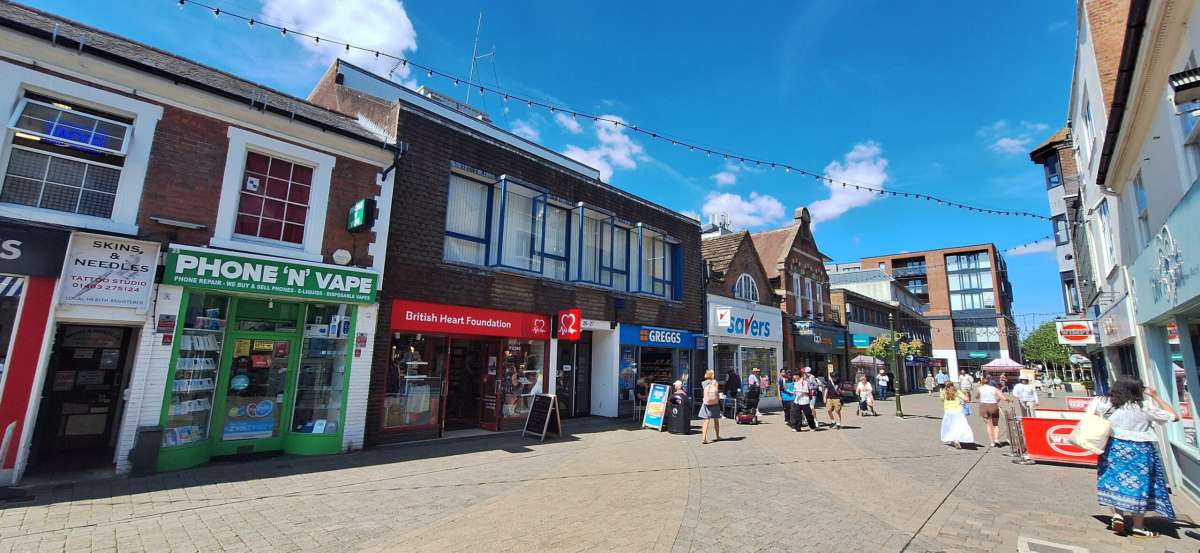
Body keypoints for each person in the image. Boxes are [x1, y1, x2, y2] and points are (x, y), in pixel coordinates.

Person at [1094, 377, 1177, 537]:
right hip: (1139, 451)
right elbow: (1173, 416)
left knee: (1115, 482)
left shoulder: (1107, 405)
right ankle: (1138, 527)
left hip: (1113, 448)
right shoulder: (1144, 407)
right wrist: (1156, 396)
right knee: (1139, 486)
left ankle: (1118, 515)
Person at [976, 378, 1010, 448]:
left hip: (984, 406)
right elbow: (1002, 397)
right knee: (995, 424)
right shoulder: (994, 389)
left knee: (988, 425)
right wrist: (1007, 400)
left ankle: (992, 442)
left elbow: (977, 397)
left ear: (982, 382)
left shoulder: (979, 388)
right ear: (989, 382)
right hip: (993, 405)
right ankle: (996, 439)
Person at [940, 382, 975, 449]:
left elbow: (941, 399)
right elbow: (966, 399)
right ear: (953, 385)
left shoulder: (944, 392)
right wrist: (965, 395)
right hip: (958, 411)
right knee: (959, 426)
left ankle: (953, 439)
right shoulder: (957, 392)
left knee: (950, 426)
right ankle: (958, 439)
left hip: (948, 411)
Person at [698, 370, 722, 444]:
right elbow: (717, 392)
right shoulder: (715, 382)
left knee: (706, 420)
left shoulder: (703, 383)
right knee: (716, 420)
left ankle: (704, 438)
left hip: (706, 403)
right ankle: (717, 436)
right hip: (715, 403)